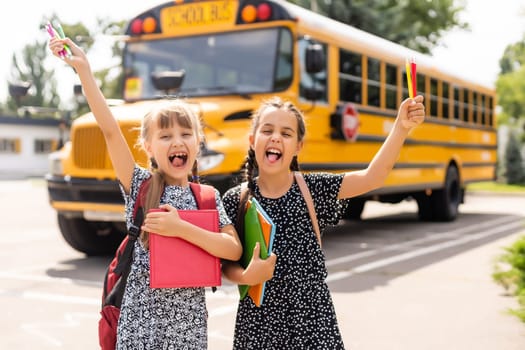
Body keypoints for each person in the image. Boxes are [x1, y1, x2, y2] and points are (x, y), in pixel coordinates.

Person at [48, 37, 242, 349]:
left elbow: (232, 249)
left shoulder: (206, 196)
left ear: (198, 142)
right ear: (148, 147)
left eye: (185, 134)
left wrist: (181, 228)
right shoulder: (141, 186)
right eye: (165, 135)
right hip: (140, 326)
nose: (177, 141)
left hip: (189, 329)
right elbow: (109, 129)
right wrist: (84, 71)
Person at [221, 95, 425, 349]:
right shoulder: (236, 200)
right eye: (267, 130)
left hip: (313, 323)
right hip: (257, 327)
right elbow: (225, 265)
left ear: (298, 146)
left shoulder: (313, 189)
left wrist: (401, 127)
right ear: (252, 141)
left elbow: (372, 177)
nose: (275, 138)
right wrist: (246, 276)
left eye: (286, 133)